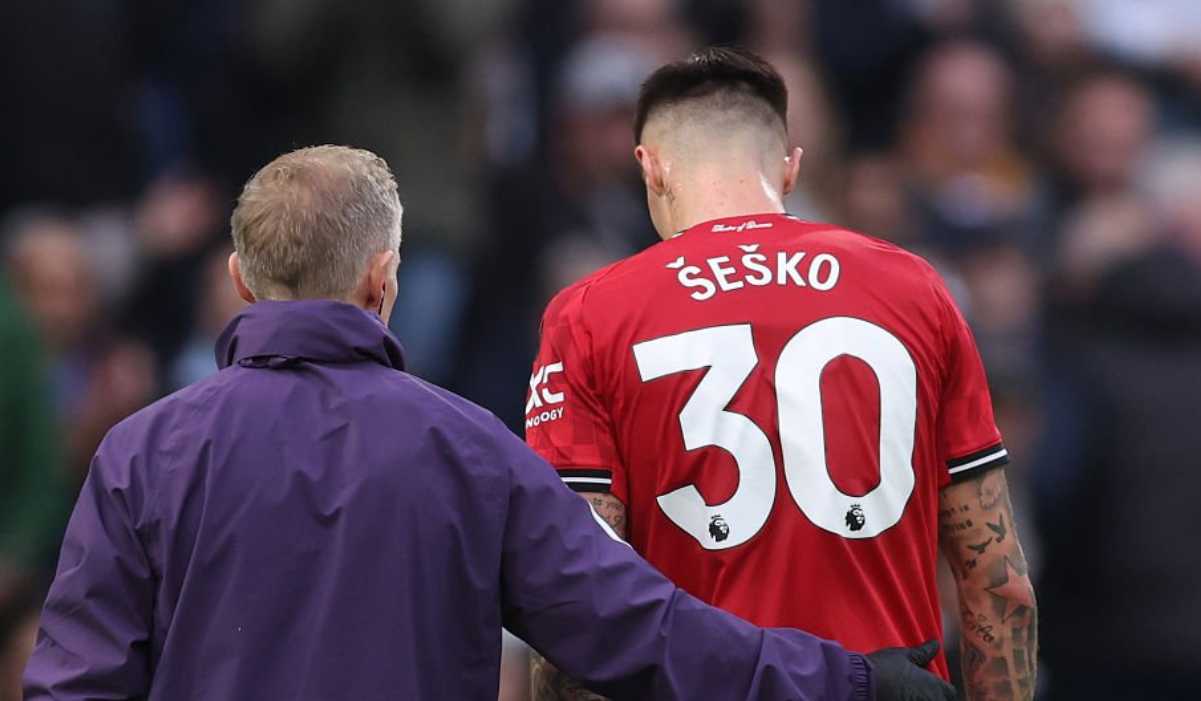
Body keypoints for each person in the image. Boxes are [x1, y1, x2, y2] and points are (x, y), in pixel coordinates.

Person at [23, 145, 952, 701]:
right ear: (384, 278)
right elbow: (642, 633)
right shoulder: (467, 451)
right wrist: (850, 681)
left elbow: (72, 682)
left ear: (237, 279)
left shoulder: (141, 452)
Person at [525, 48, 1038, 700]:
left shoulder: (590, 314)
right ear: (791, 167)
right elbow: (996, 577)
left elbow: (576, 596)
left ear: (649, 167)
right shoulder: (915, 290)